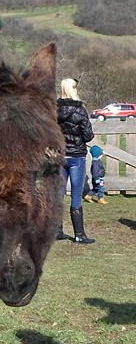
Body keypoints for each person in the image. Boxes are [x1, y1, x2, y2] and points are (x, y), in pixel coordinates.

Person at [56, 77, 95, 244]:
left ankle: (57, 231)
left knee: (59, 193)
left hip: (59, 155)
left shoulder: (54, 110)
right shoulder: (80, 111)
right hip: (77, 156)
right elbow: (88, 135)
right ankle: (79, 234)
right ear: (74, 90)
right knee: (77, 194)